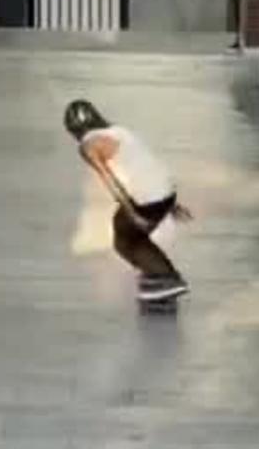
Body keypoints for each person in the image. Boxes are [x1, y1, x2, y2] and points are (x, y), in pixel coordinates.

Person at [64, 99, 192, 305]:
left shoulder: (88, 145)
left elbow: (111, 181)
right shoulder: (118, 131)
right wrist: (171, 204)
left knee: (125, 239)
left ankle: (165, 277)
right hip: (166, 190)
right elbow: (147, 162)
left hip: (150, 197)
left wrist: (133, 213)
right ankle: (159, 275)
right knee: (124, 227)